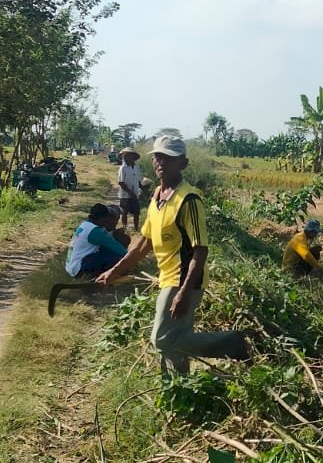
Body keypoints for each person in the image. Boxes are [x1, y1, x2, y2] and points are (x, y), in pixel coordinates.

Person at [97, 132, 249, 373]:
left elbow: (200, 251)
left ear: (183, 163)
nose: (161, 162)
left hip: (183, 280)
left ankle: (232, 343)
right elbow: (143, 243)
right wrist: (114, 271)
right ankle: (176, 389)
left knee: (163, 338)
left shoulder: (188, 200)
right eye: (158, 157)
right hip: (167, 277)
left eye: (168, 158)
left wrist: (184, 293)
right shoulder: (157, 196)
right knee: (174, 340)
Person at [65, 203, 129, 280]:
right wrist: (131, 257)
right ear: (101, 218)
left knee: (106, 252)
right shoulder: (94, 231)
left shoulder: (85, 225)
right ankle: (95, 278)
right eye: (105, 220)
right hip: (79, 268)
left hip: (72, 266)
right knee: (114, 258)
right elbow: (115, 246)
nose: (106, 223)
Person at [116, 147, 143, 229]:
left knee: (136, 212)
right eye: (126, 156)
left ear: (134, 157)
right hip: (125, 195)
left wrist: (142, 189)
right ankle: (124, 228)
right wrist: (130, 193)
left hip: (135, 193)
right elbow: (121, 182)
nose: (128, 158)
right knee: (124, 212)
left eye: (130, 156)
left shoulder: (136, 168)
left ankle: (136, 228)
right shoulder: (123, 168)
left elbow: (138, 181)